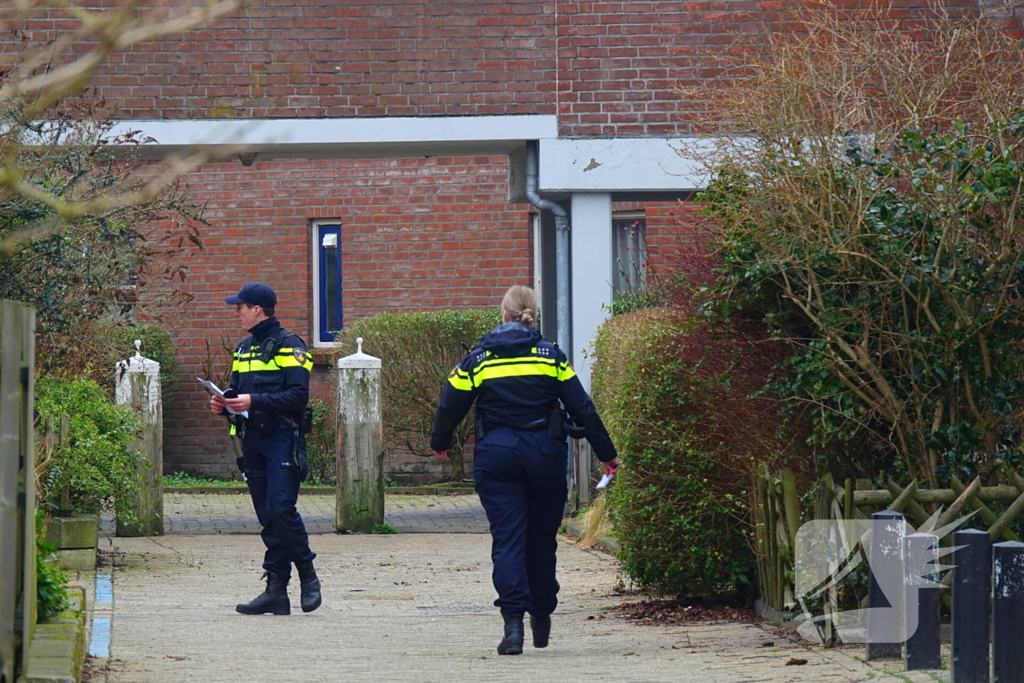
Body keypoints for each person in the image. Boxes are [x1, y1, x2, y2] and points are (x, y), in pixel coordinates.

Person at [430, 285, 619, 655]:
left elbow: (449, 404)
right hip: (544, 456)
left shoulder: (478, 359)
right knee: (541, 541)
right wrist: (607, 454)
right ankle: (542, 615)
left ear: (502, 315)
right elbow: (583, 408)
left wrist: (441, 441)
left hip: (497, 457)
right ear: (534, 314)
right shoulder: (551, 357)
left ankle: (512, 625)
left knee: (508, 540)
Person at [208, 282, 321, 616]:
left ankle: (308, 574)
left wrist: (253, 400)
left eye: (240, 307)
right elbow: (240, 390)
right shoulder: (243, 347)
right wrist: (225, 403)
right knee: (267, 516)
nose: (236, 312)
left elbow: (298, 396)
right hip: (252, 439)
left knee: (281, 508)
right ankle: (276, 591)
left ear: (257, 309)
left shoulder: (290, 344)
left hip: (282, 439)